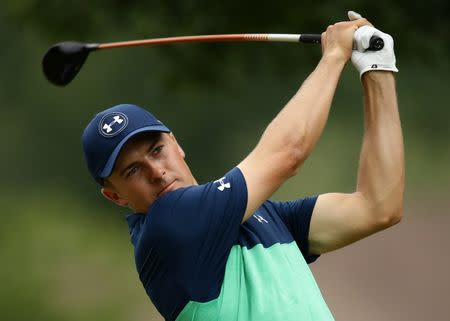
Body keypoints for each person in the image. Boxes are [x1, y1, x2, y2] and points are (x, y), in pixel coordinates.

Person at [82, 11, 404, 321]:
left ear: (176, 144)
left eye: (156, 150)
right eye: (132, 171)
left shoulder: (263, 216)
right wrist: (333, 55)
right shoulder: (166, 227)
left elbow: (378, 207)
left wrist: (378, 68)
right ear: (115, 196)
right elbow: (288, 153)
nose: (155, 171)